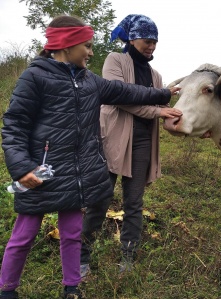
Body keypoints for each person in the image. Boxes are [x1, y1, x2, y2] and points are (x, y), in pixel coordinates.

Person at [0, 15, 179, 299]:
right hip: (40, 173)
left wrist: (163, 94)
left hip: (76, 175)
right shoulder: (34, 77)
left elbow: (127, 91)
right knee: (23, 237)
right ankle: (7, 291)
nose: (92, 52)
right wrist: (22, 168)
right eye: (87, 45)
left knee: (71, 233)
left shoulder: (89, 81)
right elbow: (14, 125)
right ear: (67, 46)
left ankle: (72, 289)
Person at [80, 14, 182, 276]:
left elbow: (162, 107)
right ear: (133, 39)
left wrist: (187, 125)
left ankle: (127, 256)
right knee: (99, 200)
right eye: (148, 41)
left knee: (134, 203)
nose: (152, 47)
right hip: (112, 141)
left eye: (155, 42)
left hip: (142, 145)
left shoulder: (156, 75)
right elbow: (119, 96)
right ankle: (82, 256)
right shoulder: (115, 60)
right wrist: (158, 112)